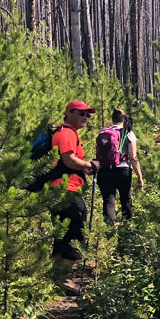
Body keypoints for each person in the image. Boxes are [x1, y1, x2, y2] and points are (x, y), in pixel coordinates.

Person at [50, 100, 98, 266]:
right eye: (81, 113)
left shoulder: (64, 132)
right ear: (69, 113)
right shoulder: (67, 133)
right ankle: (66, 279)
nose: (86, 117)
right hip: (67, 190)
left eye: (87, 115)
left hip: (59, 189)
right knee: (74, 233)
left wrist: (83, 168)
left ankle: (58, 278)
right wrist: (89, 165)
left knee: (62, 235)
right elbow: (69, 159)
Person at [96, 107, 145, 224]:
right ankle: (127, 231)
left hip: (104, 170)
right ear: (124, 120)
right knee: (126, 200)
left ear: (113, 119)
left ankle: (109, 231)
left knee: (108, 200)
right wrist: (140, 177)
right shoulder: (128, 133)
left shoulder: (103, 132)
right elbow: (133, 157)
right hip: (122, 170)